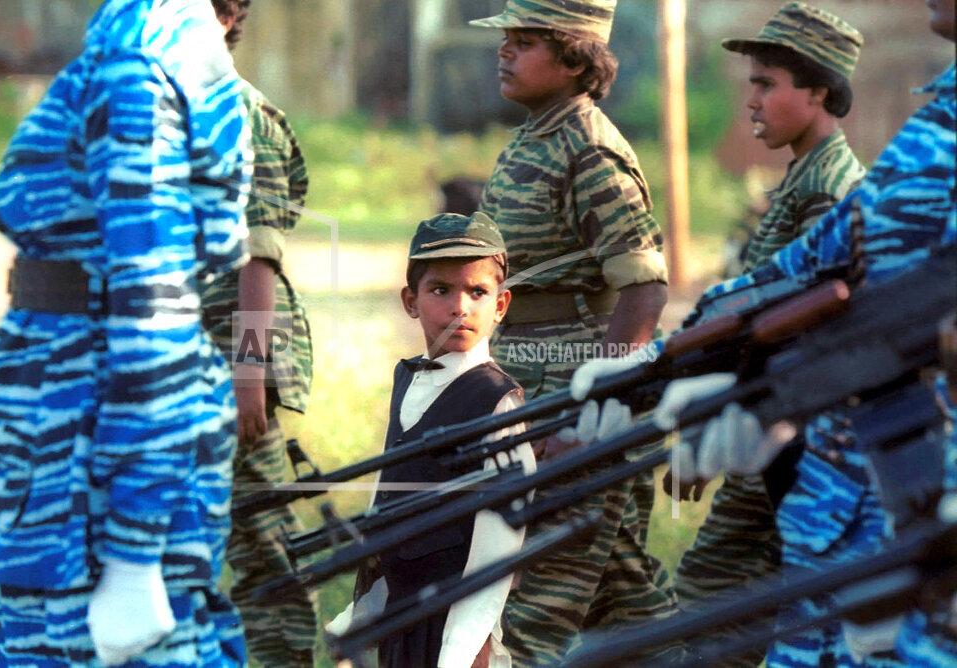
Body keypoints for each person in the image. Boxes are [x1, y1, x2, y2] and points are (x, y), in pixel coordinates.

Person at [571, 0, 956, 663]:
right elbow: (805, 270)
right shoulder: (937, 125)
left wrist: (780, 392)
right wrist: (659, 367)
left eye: (767, 81)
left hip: (919, 518)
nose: (750, 97)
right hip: (854, 513)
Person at [0, 0, 252, 665]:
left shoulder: (138, 67)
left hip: (82, 468)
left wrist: (134, 551)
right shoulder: (150, 49)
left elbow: (154, 307)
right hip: (73, 457)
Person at [467, 1, 676, 662]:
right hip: (527, 390)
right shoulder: (536, 136)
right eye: (505, 40)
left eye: (524, 42)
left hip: (570, 400)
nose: (505, 52)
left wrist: (591, 414)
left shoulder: (588, 146)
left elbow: (644, 285)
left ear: (573, 56)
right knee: (625, 603)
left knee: (529, 616)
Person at [670, 5, 867, 664]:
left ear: (818, 92)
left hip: (796, 434)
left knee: (712, 613)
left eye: (767, 83)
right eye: (749, 82)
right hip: (773, 423)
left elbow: (787, 328)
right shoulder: (802, 181)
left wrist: (709, 417)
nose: (749, 98)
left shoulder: (829, 193)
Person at [329, 212, 540, 667]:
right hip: (401, 619)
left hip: (456, 627)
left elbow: (498, 546)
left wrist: (462, 649)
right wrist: (361, 614)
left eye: (477, 292)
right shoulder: (407, 379)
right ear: (411, 300)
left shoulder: (496, 402)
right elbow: (390, 505)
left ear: (501, 305)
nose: (460, 306)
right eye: (441, 290)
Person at [204, 1, 319, 665]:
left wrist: (249, 370)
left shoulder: (243, 114)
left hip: (232, 357)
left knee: (262, 540)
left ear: (225, 16)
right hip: (166, 359)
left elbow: (260, 254)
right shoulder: (155, 110)